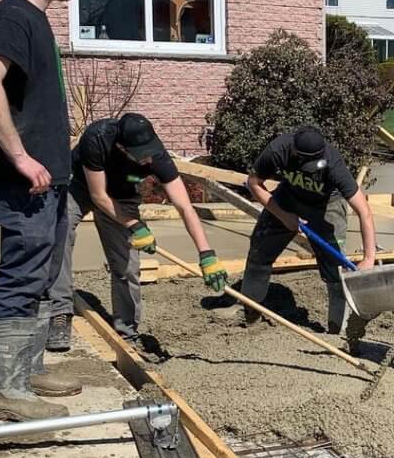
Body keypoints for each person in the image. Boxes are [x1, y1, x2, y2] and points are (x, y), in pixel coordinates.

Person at [0, 0, 87, 421]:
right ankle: (8, 391)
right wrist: (20, 157)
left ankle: (29, 369)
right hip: (27, 183)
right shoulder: (13, 15)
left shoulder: (36, 19)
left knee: (40, 275)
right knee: (21, 276)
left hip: (49, 180)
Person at [46, 113, 228, 350]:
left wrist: (206, 254)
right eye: (141, 156)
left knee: (127, 265)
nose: (148, 160)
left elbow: (185, 206)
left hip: (122, 195)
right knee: (60, 234)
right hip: (81, 187)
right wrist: (135, 225)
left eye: (150, 153)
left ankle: (127, 332)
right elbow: (98, 196)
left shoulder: (158, 156)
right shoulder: (97, 138)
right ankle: (60, 311)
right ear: (122, 148)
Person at [212, 125, 376, 334]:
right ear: (295, 152)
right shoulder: (278, 150)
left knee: (335, 271)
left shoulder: (333, 164)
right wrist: (283, 215)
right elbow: (254, 183)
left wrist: (369, 258)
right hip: (288, 198)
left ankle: (337, 331)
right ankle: (249, 313)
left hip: (327, 206)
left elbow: (364, 212)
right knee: (259, 253)